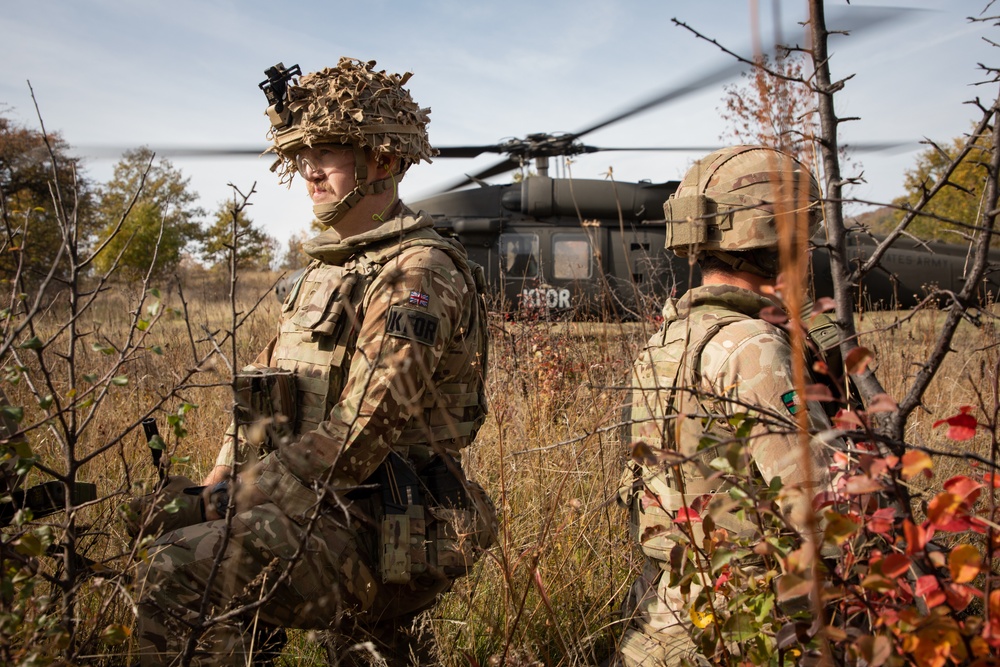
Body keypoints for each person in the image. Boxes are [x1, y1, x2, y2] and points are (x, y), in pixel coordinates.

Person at [134, 57, 494, 666]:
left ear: (382, 160)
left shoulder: (416, 273)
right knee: (173, 529)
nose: (308, 171)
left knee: (182, 570)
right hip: (325, 507)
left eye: (326, 154)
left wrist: (234, 499)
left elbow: (363, 429)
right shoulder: (326, 270)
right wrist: (220, 475)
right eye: (301, 154)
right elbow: (267, 388)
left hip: (387, 524)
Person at [615, 146, 842, 665]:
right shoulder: (753, 347)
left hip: (664, 615)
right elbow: (824, 514)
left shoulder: (671, 338)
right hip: (747, 626)